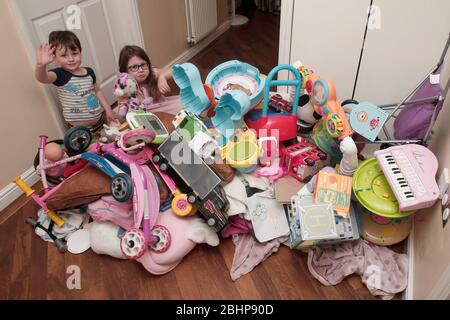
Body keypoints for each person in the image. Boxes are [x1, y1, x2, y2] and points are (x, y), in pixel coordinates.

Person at [35, 30, 118, 129]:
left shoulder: (89, 72)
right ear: (55, 57)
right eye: (64, 55)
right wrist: (40, 65)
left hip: (98, 121)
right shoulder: (59, 74)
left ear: (80, 51)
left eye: (74, 53)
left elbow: (97, 91)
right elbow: (42, 78)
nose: (71, 59)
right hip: (76, 129)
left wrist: (108, 109)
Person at [117, 45, 182, 116]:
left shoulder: (152, 74)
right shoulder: (125, 87)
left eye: (143, 65)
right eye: (134, 67)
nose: (141, 70)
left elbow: (176, 71)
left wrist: (162, 77)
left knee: (184, 105)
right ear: (125, 71)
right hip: (144, 116)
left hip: (164, 109)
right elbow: (123, 112)